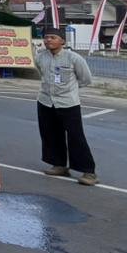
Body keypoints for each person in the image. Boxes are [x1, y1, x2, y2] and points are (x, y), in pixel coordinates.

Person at [32, 28, 97, 185]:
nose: (48, 40)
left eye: (53, 37)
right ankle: (59, 165)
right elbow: (42, 74)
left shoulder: (74, 58)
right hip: (46, 101)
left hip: (68, 103)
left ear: (62, 41)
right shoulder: (40, 57)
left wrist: (69, 90)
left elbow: (85, 79)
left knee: (76, 137)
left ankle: (88, 172)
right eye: (46, 37)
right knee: (50, 134)